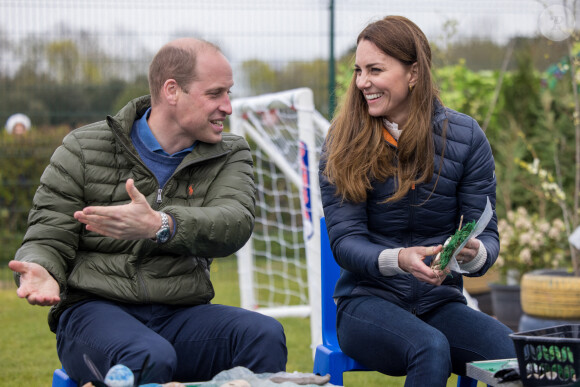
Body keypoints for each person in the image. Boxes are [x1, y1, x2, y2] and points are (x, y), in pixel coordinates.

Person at [8, 38, 287, 385]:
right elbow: (46, 236)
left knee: (263, 335)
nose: (228, 107)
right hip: (94, 313)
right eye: (215, 94)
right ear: (172, 90)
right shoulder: (81, 149)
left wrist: (162, 224)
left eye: (229, 93)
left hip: (182, 314)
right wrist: (39, 268)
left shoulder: (230, 153)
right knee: (149, 355)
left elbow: (234, 223)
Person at [319, 16, 516, 386]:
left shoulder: (466, 136)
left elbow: (488, 235)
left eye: (375, 70)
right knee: (430, 347)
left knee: (515, 355)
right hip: (365, 304)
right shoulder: (342, 142)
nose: (362, 82)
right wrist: (399, 260)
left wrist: (473, 253)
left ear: (413, 74)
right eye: (358, 71)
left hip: (439, 303)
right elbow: (345, 243)